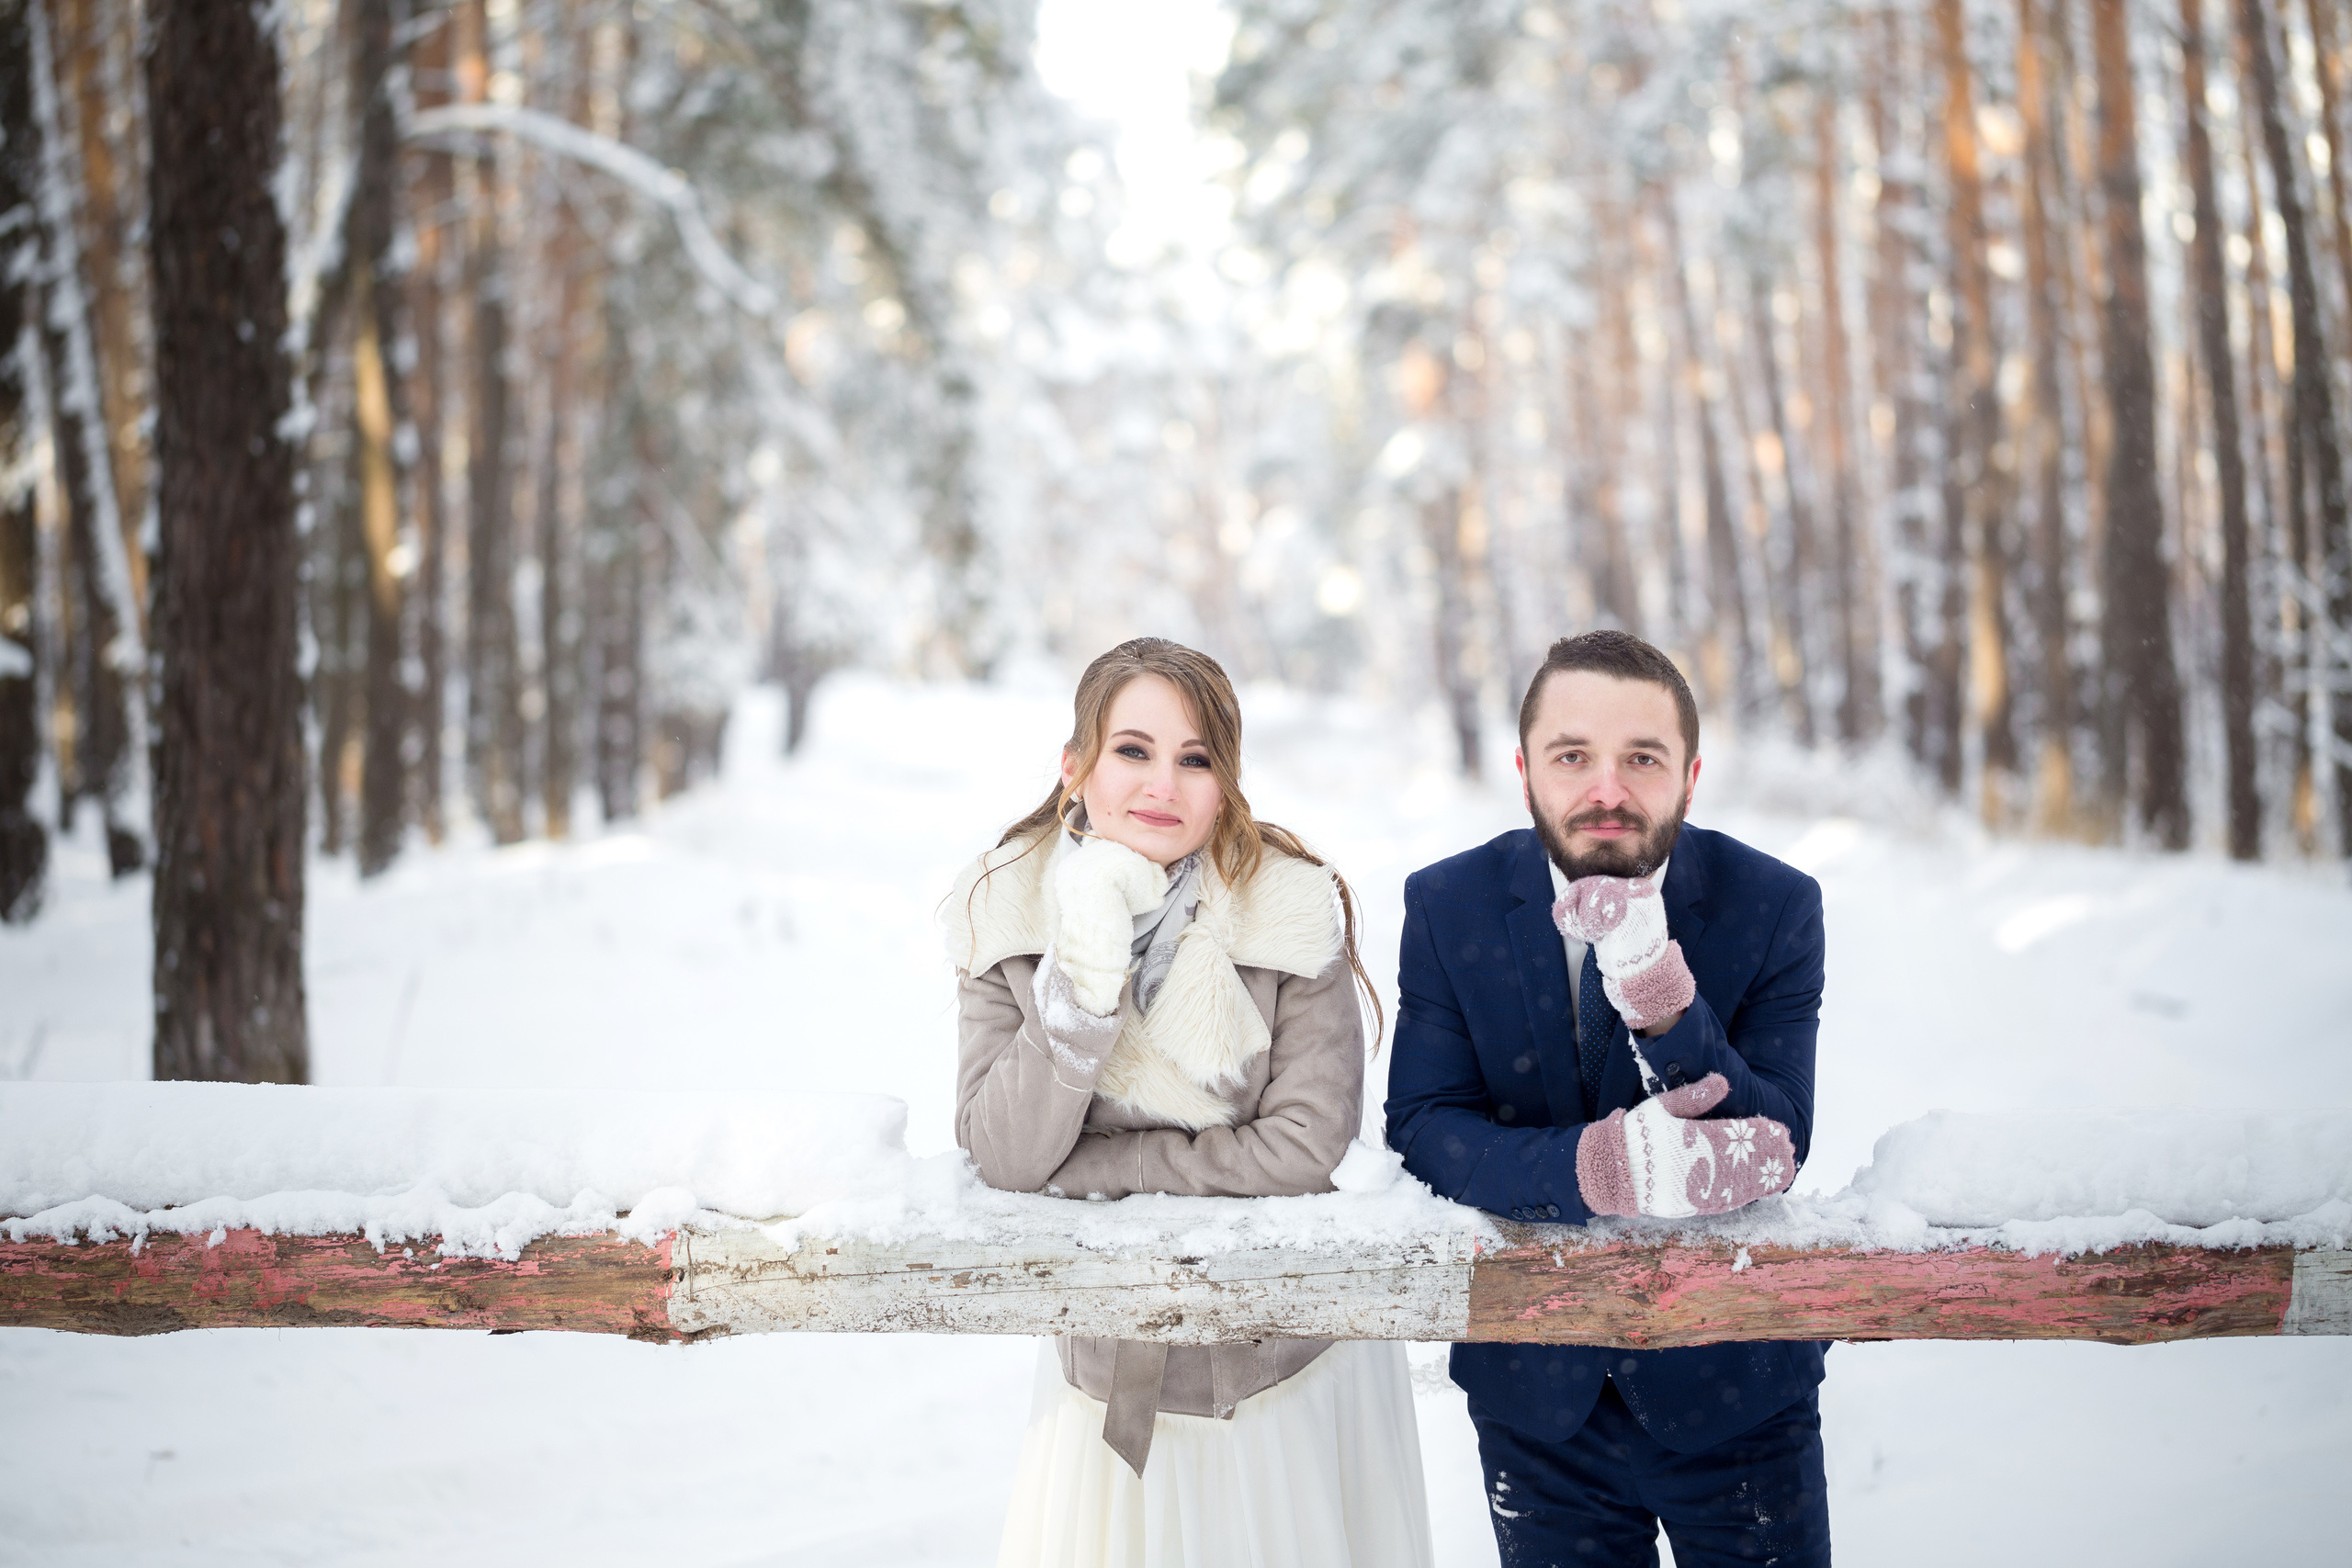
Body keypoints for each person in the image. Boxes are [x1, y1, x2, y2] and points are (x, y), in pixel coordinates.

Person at [949, 637, 1435, 1568]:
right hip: (1104, 1367)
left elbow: (1302, 1149)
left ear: (1226, 783)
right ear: (1076, 767)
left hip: (1281, 1365)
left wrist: (1092, 1169)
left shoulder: (1288, 909)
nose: (1161, 784)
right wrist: (1084, 973)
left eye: (1195, 757)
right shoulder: (1004, 910)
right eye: (1132, 749)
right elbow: (1004, 1153)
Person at [1385, 629, 1828, 1568]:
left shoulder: (1774, 903)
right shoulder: (1448, 904)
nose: (1607, 791)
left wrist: (1660, 993)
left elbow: (1779, 1136)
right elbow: (1424, 1123)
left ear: (1690, 776)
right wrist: (1595, 1169)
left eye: (1641, 759)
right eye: (1573, 756)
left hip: (1737, 1383)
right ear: (1524, 769)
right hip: (1538, 1400)